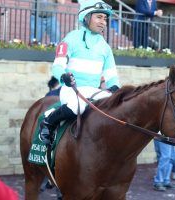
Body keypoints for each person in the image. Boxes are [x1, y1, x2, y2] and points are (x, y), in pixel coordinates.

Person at [39, 0, 120, 145]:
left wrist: (115, 88)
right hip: (72, 90)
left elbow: (111, 74)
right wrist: (64, 77)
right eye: (99, 17)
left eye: (105, 19)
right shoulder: (71, 38)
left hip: (94, 92)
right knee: (79, 106)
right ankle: (48, 122)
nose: (103, 22)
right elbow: (57, 67)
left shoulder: (105, 47)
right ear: (87, 17)